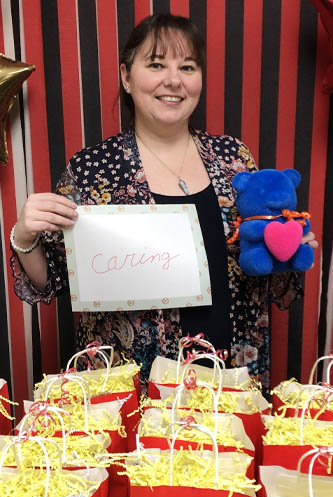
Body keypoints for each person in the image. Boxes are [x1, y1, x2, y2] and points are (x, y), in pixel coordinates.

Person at [10, 14, 317, 392]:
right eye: (156, 64)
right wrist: (25, 237)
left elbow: (263, 273)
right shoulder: (92, 169)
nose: (173, 80)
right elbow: (54, 279)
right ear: (126, 77)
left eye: (187, 67)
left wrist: (285, 248)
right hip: (132, 386)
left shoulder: (232, 158)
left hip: (232, 376)